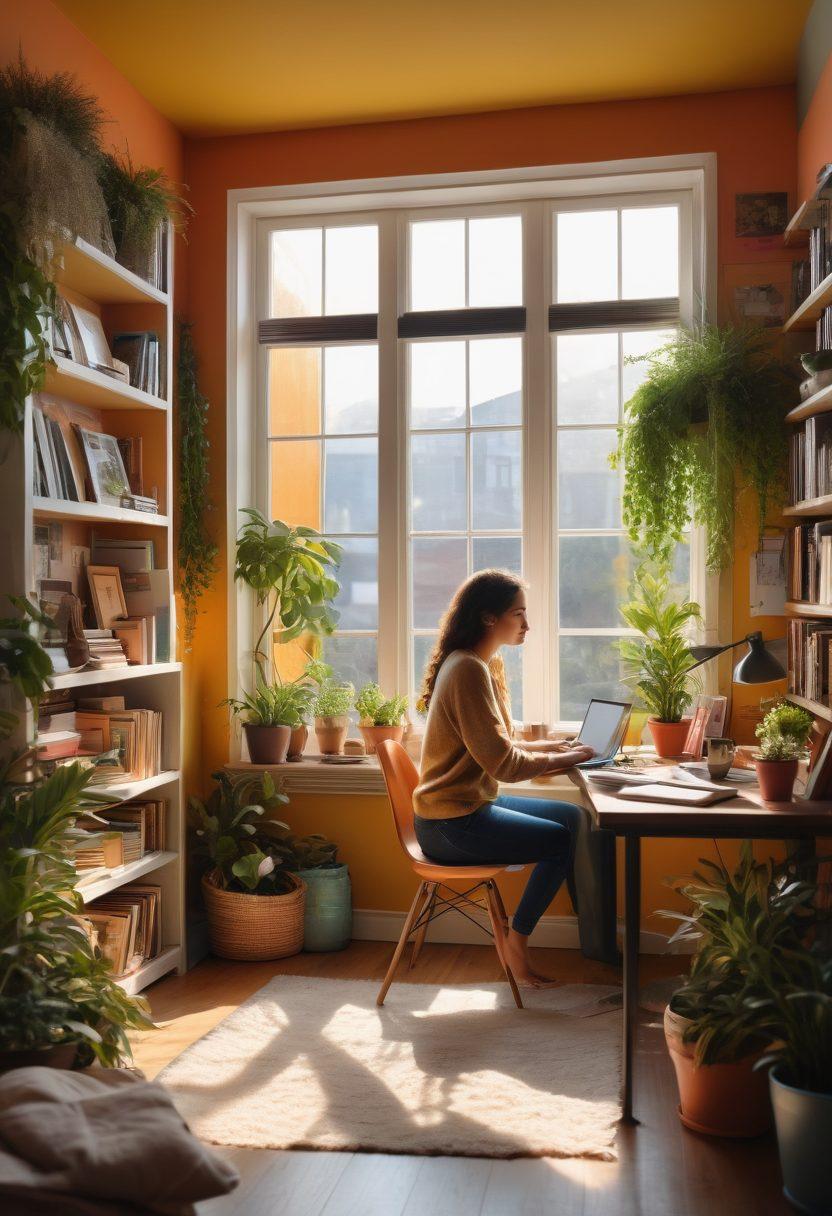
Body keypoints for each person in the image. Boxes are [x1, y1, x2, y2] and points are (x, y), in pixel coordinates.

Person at [414, 569, 595, 988]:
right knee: (560, 839)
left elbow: (501, 743)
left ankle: (592, 931)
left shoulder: (482, 664)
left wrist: (559, 748)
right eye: (519, 614)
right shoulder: (467, 670)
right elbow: (505, 765)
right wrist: (569, 756)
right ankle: (517, 942)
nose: (527, 625)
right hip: (450, 824)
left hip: (467, 807)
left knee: (573, 818)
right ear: (488, 618)